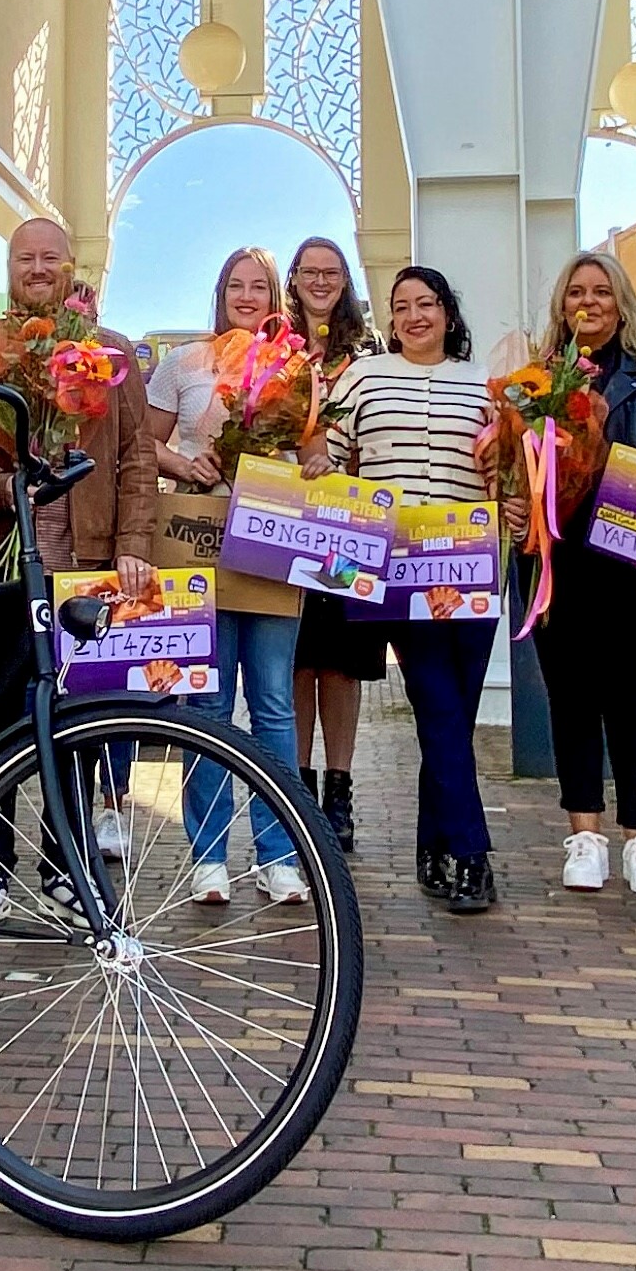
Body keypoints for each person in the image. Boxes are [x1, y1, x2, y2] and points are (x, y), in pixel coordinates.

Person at [0, 218, 160, 927]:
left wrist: (133, 542)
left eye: (51, 258)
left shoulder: (112, 353)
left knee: (76, 725)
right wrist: (10, 490)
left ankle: (66, 870)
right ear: (8, 267)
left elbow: (137, 458)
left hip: (85, 566)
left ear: (73, 267)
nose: (37, 269)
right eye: (24, 258)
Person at [324, 266, 503, 911]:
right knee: (435, 699)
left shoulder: (486, 383)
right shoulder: (363, 377)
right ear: (389, 319)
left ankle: (433, 844)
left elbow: (507, 472)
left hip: (470, 561)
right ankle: (472, 855)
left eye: (426, 303)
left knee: (452, 712)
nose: (414, 316)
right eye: (401, 307)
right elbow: (330, 459)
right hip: (397, 566)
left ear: (448, 312)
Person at [527, 250, 636, 898]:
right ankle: (585, 835)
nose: (588, 303)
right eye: (576, 293)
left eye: (601, 292)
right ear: (561, 305)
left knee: (630, 698)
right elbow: (518, 466)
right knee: (570, 697)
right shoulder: (538, 379)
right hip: (558, 558)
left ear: (622, 304)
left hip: (635, 562)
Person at [144, 247, 303, 903]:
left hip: (272, 543)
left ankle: (280, 854)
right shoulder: (184, 363)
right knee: (206, 703)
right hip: (198, 539)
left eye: (258, 286)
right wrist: (185, 464)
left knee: (273, 704)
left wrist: (313, 465)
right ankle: (208, 856)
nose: (246, 296)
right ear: (220, 293)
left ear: (274, 298)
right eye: (235, 285)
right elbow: (141, 442)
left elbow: (315, 448)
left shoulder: (294, 368)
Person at [283, 237, 377, 851]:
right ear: (293, 279)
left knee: (342, 662)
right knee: (296, 659)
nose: (320, 282)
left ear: (345, 281)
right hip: (287, 523)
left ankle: (339, 788)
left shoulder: (369, 352)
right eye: (310, 272)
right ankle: (299, 789)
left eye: (332, 272)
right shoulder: (275, 346)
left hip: (351, 524)